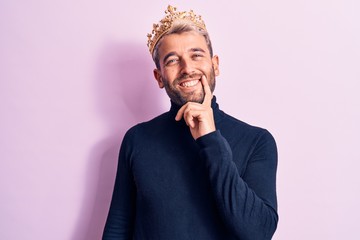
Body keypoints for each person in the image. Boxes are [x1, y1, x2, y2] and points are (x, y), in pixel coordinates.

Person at [103, 5, 278, 240]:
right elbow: (118, 228)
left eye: (197, 55)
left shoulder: (257, 141)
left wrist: (211, 140)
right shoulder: (137, 139)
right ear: (159, 77)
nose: (188, 69)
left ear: (215, 65)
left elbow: (258, 232)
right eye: (173, 60)